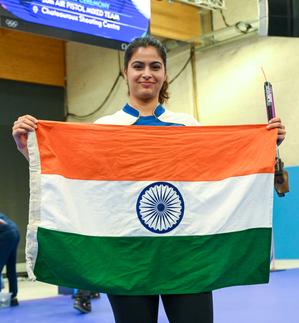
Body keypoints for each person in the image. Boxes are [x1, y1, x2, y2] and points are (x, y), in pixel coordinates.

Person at [12, 36, 286, 323]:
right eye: (138, 66)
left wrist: (266, 144)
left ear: (165, 73)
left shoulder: (187, 127)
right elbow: (74, 182)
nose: (147, 73)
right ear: (125, 72)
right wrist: (28, 148)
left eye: (155, 66)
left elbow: (222, 174)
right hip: (127, 260)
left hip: (186, 260)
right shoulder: (105, 128)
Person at [0, 212, 20, 306]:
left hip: (6, 234)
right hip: (15, 231)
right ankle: (13, 297)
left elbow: (1, 222)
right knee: (11, 268)